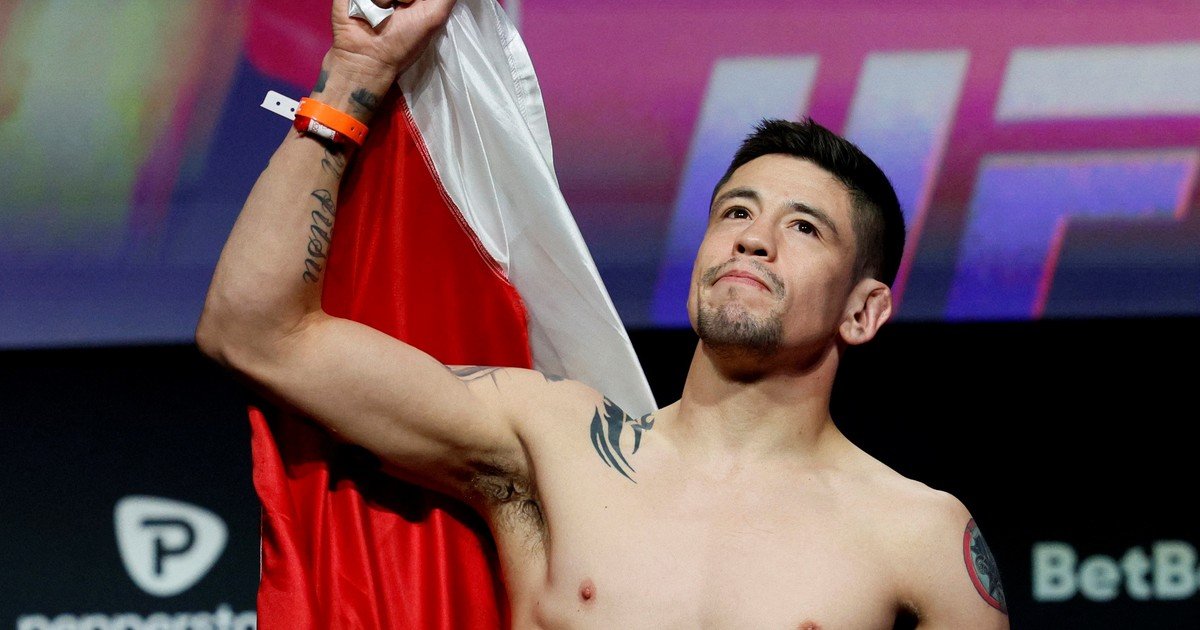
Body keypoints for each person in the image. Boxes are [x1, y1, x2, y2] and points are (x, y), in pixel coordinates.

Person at [196, 0, 1010, 627]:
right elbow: (257, 332)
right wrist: (356, 74)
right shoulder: (550, 444)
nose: (754, 239)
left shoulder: (918, 537)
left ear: (864, 311)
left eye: (804, 228)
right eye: (735, 211)